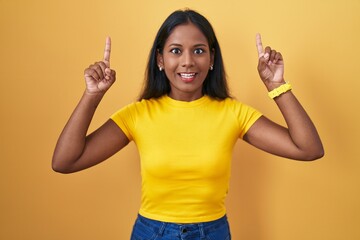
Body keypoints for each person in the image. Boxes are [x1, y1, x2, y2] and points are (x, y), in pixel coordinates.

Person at [52, 9, 324, 240]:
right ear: (160, 59)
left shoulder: (233, 113)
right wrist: (92, 95)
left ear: (212, 58)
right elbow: (65, 161)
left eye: (198, 50)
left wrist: (277, 86)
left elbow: (308, 148)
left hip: (213, 232)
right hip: (151, 232)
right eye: (175, 51)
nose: (187, 61)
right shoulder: (137, 114)